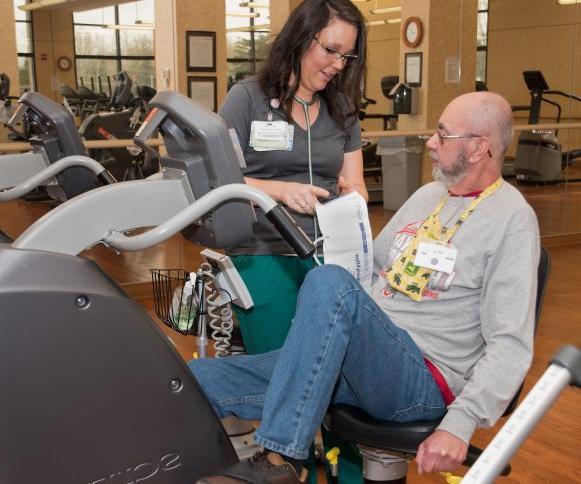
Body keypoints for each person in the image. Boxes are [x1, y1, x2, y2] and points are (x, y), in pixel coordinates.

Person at [192, 91, 540, 483]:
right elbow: (366, 269)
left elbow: (510, 342)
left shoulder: (512, 220)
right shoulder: (428, 197)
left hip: (421, 379)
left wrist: (459, 423)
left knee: (327, 282)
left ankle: (280, 461)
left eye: (442, 135)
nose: (429, 143)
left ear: (479, 148)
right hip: (359, 360)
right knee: (193, 379)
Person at [220, 0, 368, 355]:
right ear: (301, 38)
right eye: (331, 50)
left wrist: (355, 196)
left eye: (346, 57)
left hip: (330, 253)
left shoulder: (343, 109)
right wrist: (277, 191)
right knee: (279, 364)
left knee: (332, 360)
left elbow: (356, 183)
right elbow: (217, 181)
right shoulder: (247, 100)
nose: (337, 65)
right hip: (265, 251)